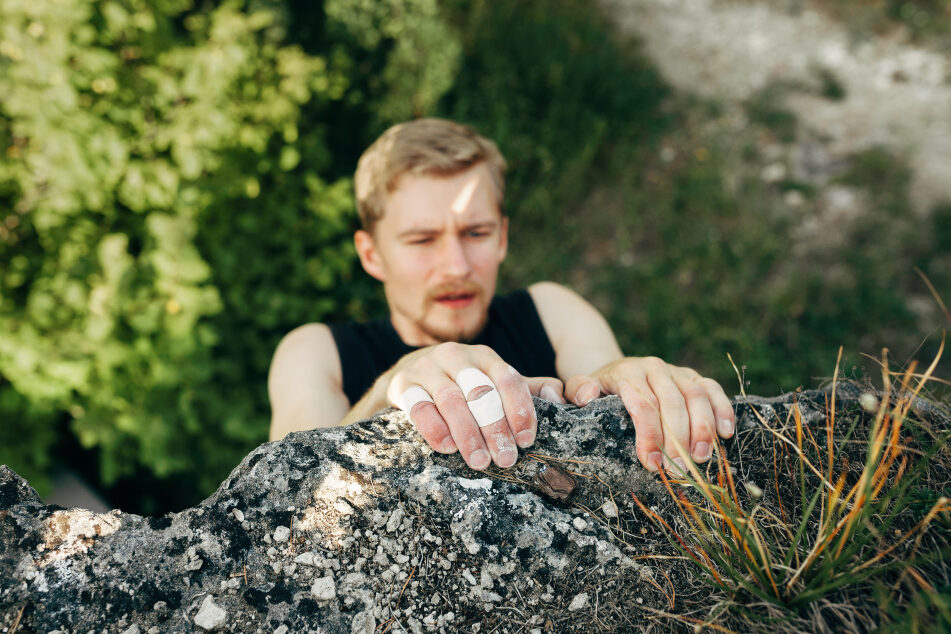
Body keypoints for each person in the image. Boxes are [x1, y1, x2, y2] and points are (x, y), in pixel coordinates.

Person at [268, 118, 735, 474]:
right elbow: (293, 479)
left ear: (503, 238)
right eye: (421, 240)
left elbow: (599, 374)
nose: (456, 265)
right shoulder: (315, 352)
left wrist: (629, 378)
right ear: (371, 254)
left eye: (475, 232)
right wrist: (396, 383)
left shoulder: (551, 310)